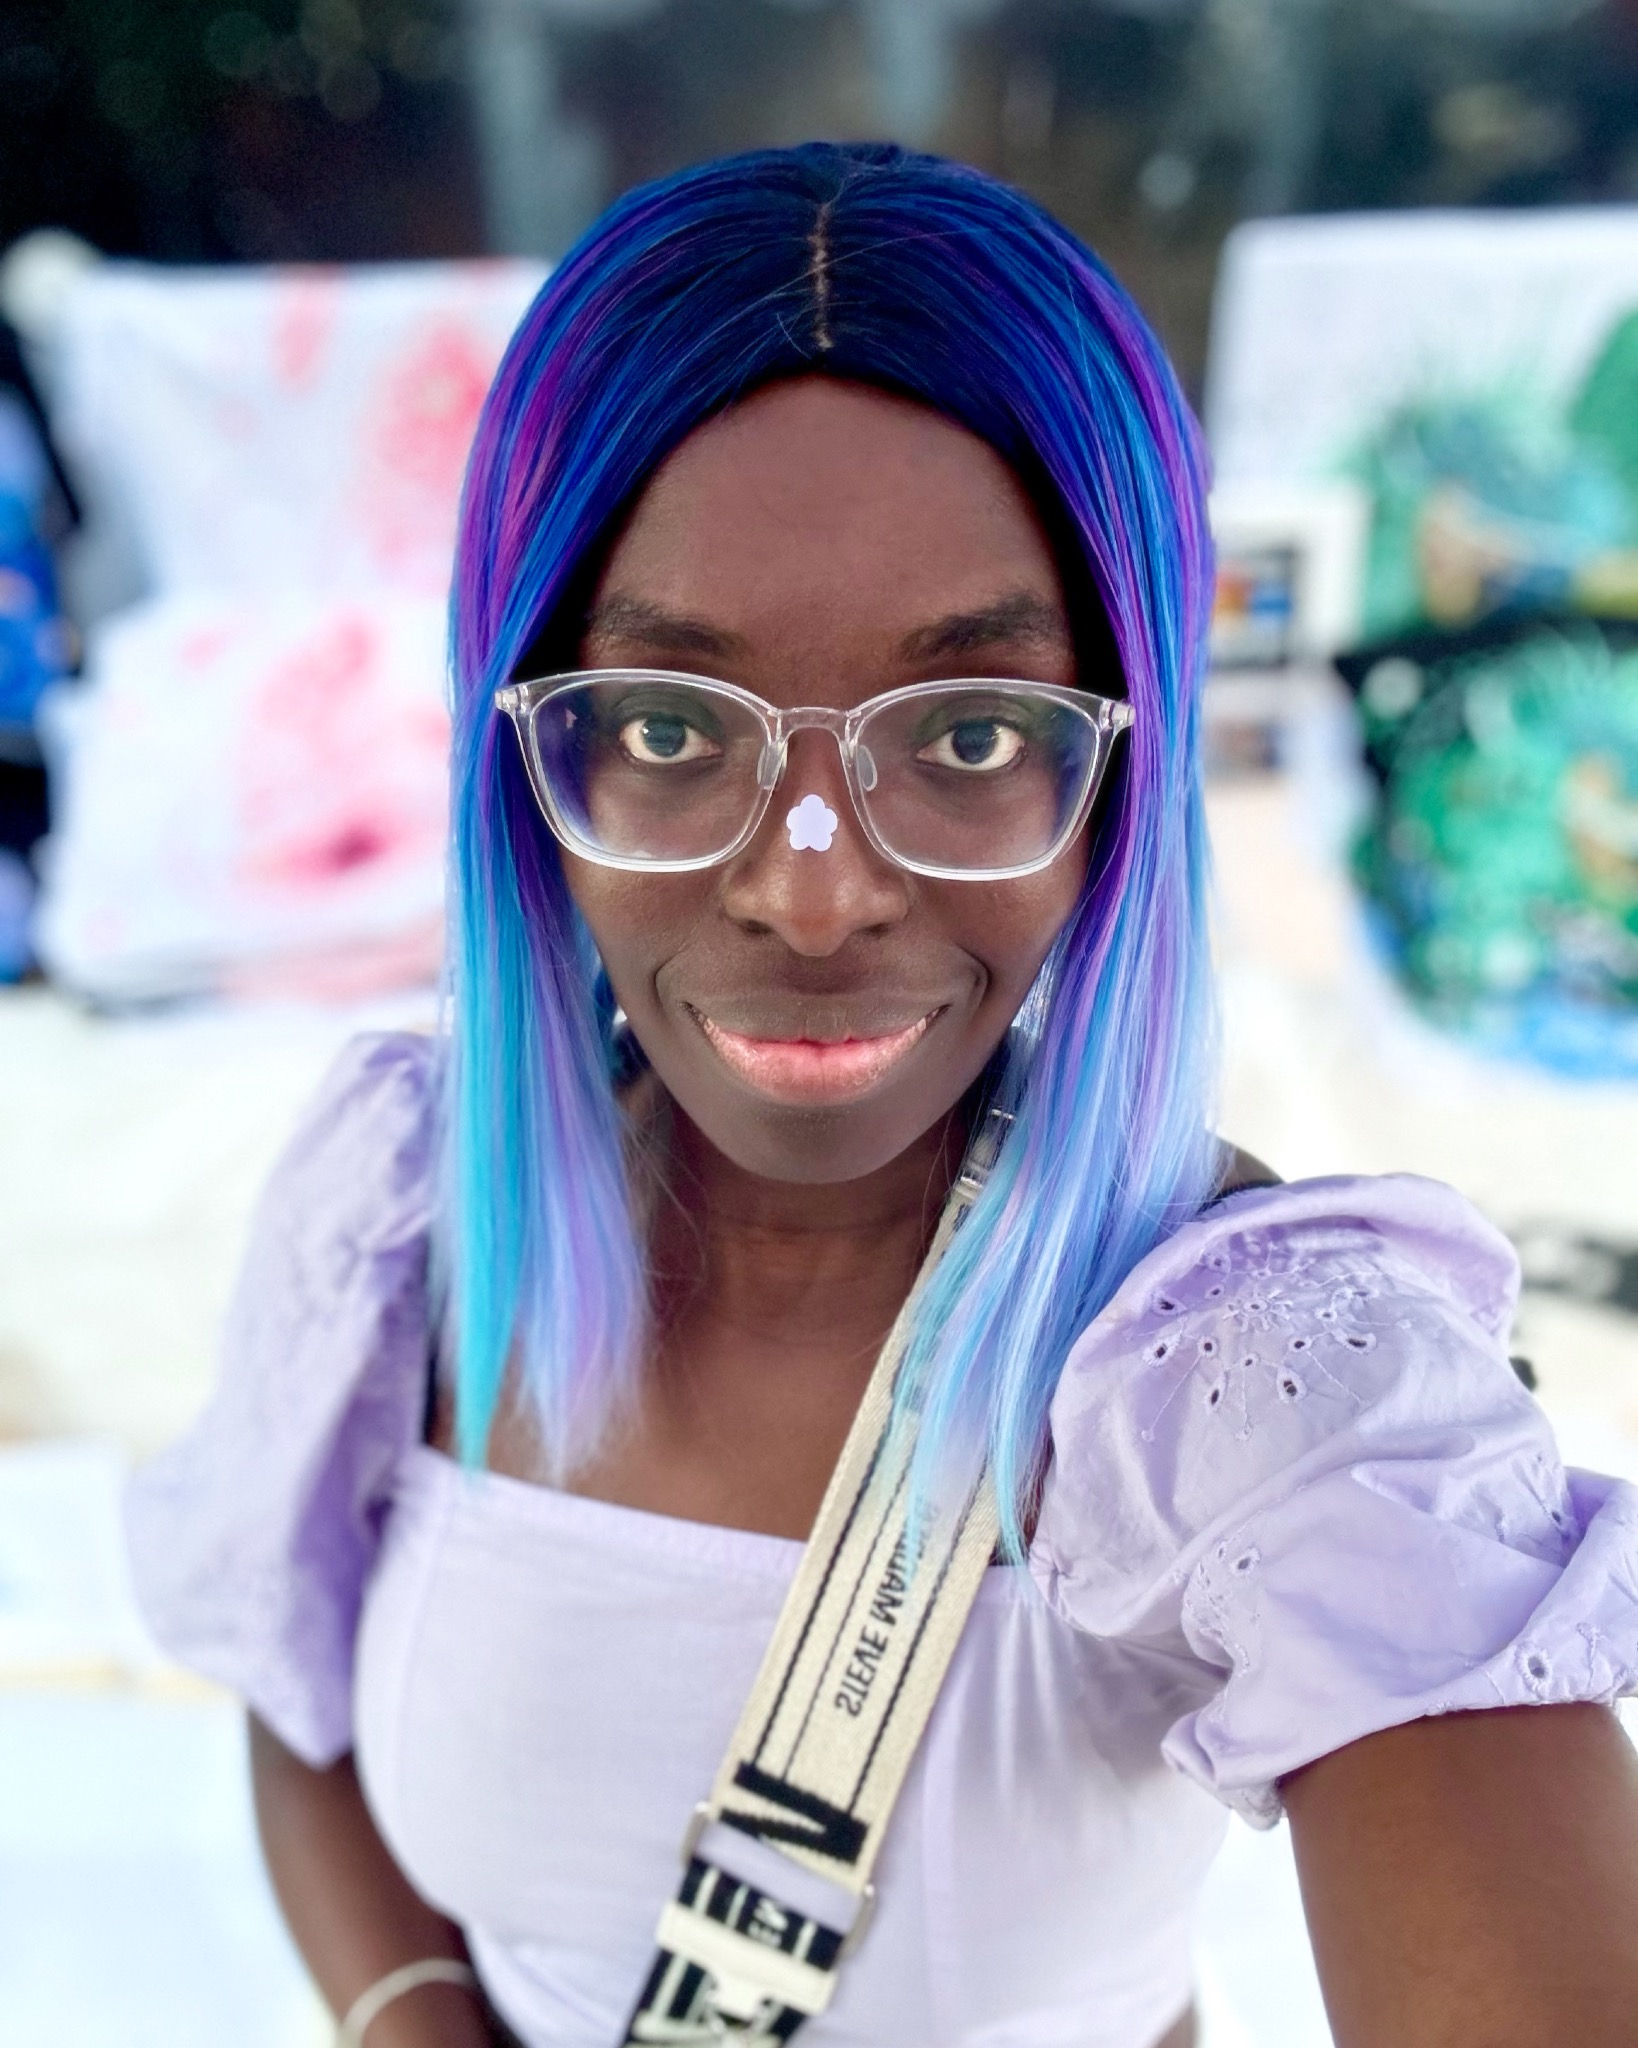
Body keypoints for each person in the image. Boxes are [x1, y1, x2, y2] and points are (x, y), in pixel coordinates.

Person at [128, 143, 1638, 2048]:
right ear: (525, 755)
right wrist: (416, 2017)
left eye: (974, 734)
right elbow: (300, 1693)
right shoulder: (407, 1220)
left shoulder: (1252, 1377)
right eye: (668, 727)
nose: (813, 890)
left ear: (1127, 772)